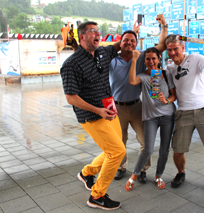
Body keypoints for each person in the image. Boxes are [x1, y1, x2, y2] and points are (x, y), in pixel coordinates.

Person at [60, 21, 125, 210]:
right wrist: (98, 110)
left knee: (113, 149)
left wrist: (132, 35)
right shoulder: (71, 64)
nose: (98, 34)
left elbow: (117, 46)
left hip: (109, 110)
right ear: (81, 37)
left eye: (98, 31)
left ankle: (87, 173)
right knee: (117, 152)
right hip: (92, 115)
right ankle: (97, 196)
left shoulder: (102, 53)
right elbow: (71, 97)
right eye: (92, 31)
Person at [109, 14, 168, 182]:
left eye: (132, 41)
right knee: (120, 141)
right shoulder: (112, 60)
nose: (129, 43)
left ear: (137, 43)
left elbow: (161, 46)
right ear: (119, 43)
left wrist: (163, 26)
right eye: (125, 40)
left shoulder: (141, 57)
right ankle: (121, 167)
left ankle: (143, 169)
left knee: (145, 140)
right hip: (117, 107)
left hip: (136, 107)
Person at [164, 34, 204, 197]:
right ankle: (181, 173)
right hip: (183, 112)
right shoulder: (169, 68)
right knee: (177, 150)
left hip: (203, 108)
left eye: (176, 49)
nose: (172, 53)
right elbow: (170, 91)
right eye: (169, 50)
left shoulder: (195, 59)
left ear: (182, 47)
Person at [125, 47, 176, 191]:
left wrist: (166, 100)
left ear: (159, 58)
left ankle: (158, 175)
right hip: (150, 117)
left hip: (167, 116)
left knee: (164, 150)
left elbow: (174, 95)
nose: (151, 61)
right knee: (147, 149)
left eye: (154, 58)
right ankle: (134, 175)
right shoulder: (143, 76)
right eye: (148, 59)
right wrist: (135, 59)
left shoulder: (166, 74)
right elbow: (132, 81)